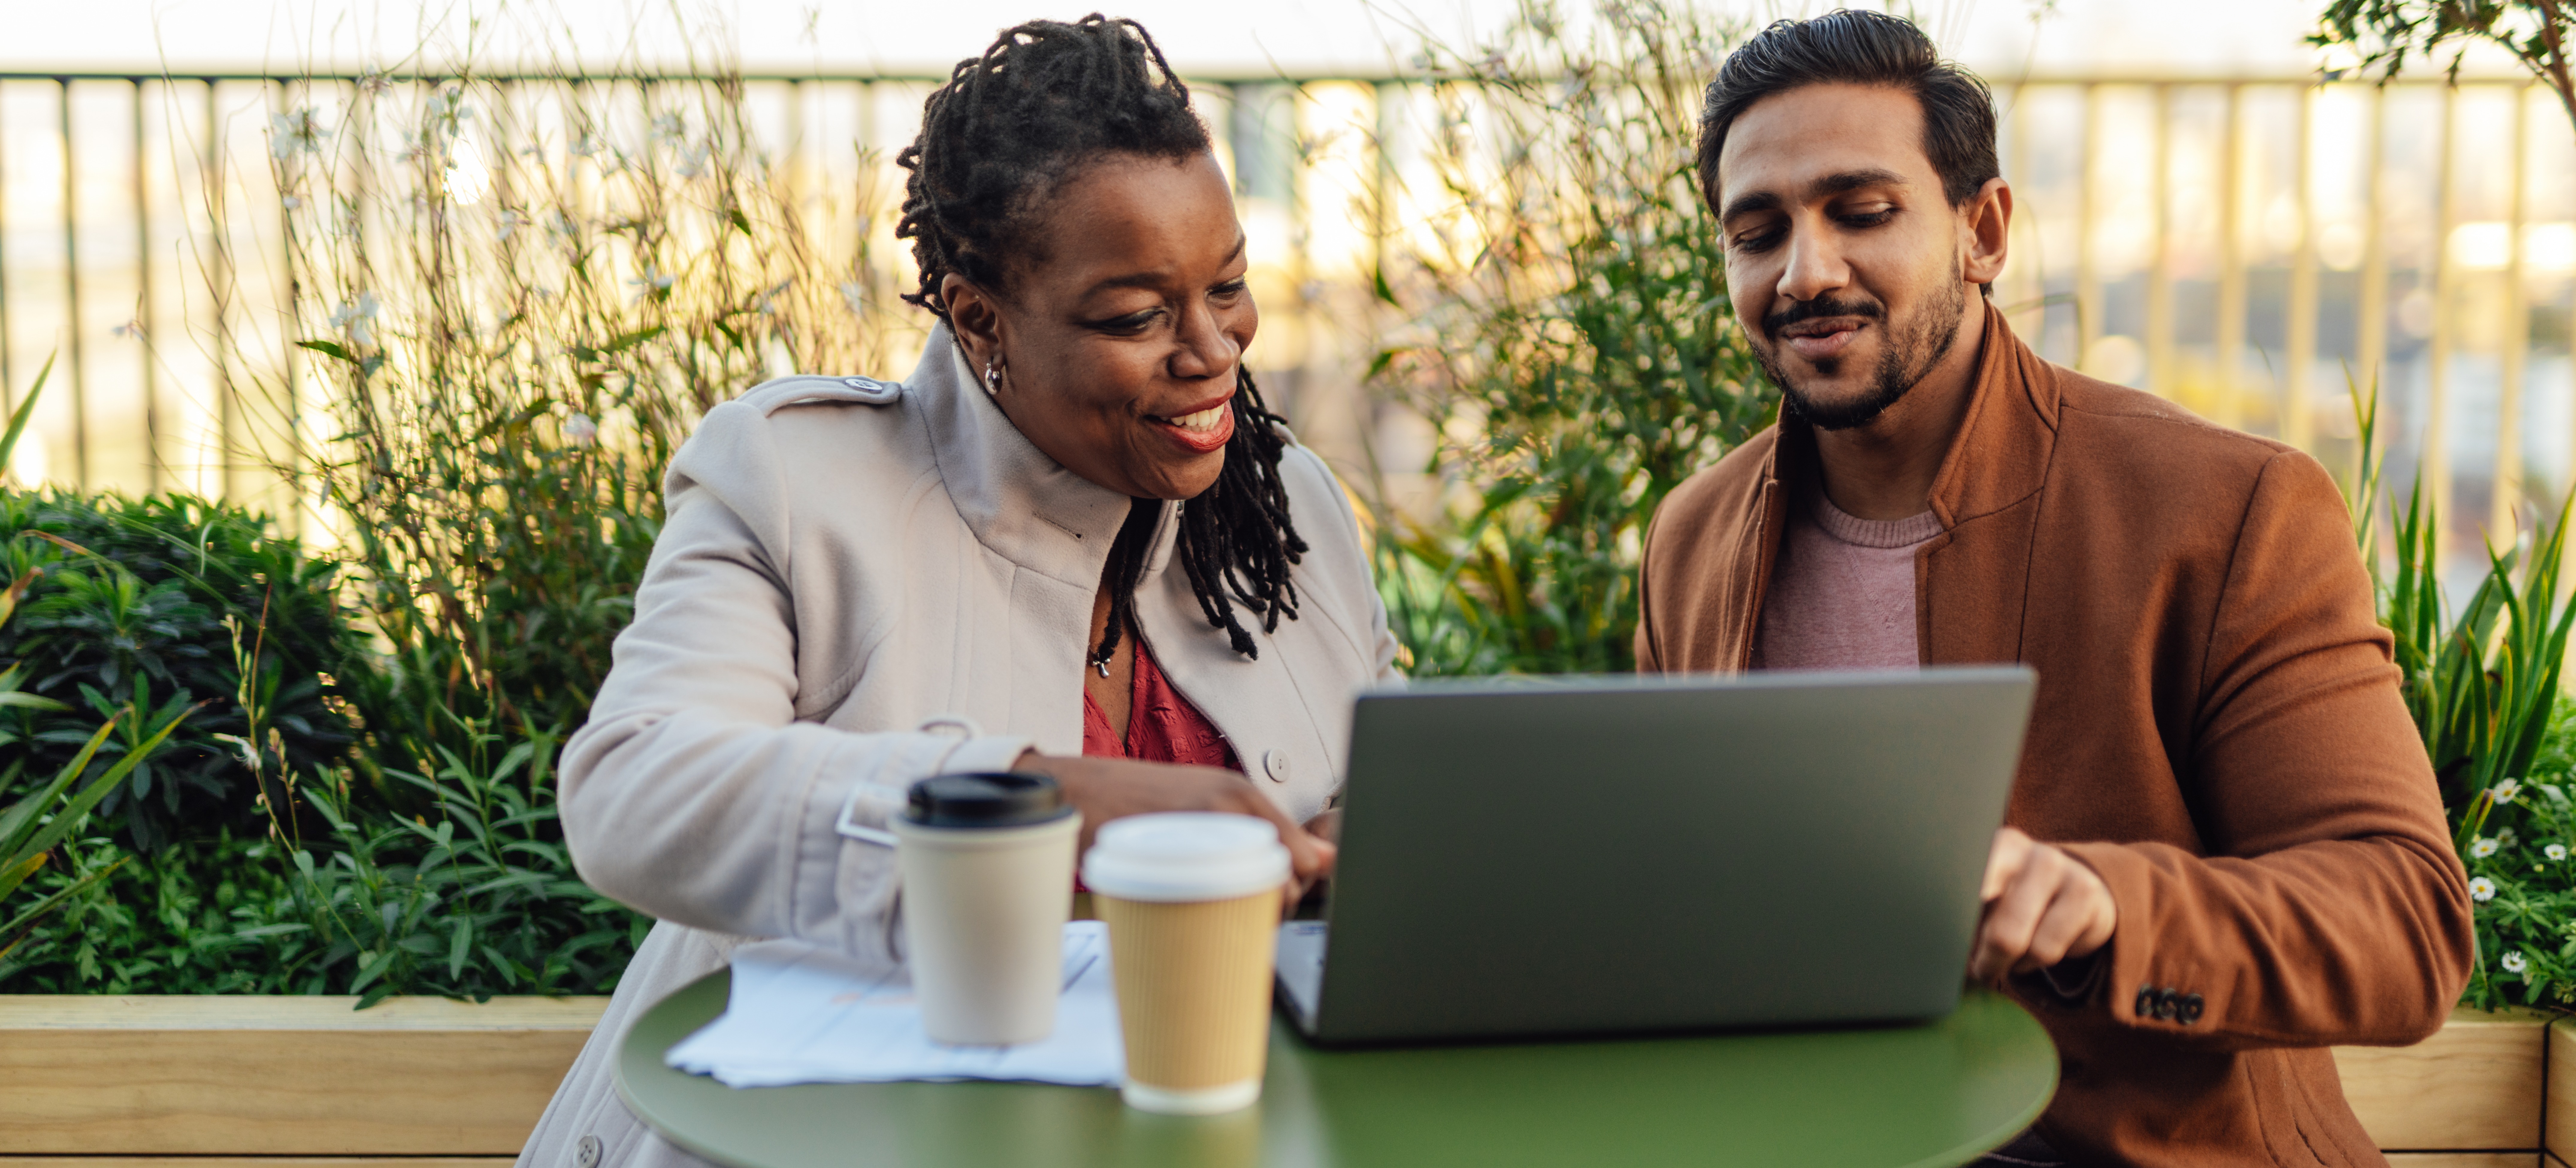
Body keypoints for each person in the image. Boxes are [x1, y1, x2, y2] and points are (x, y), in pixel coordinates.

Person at [514, 17, 1397, 1168]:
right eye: (1136, 315)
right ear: (980, 315)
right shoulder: (796, 480)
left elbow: (1367, 790)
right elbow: (634, 788)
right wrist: (1036, 803)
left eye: (1228, 285)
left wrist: (1350, 852)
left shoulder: (1294, 507)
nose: (1213, 348)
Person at [1632, 11, 2473, 1166]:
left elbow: (2404, 924)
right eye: (1758, 230)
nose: (1805, 271)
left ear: (1983, 230)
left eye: (1862, 212)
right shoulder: (1692, 538)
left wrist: (2106, 904)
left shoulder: (2230, 509)